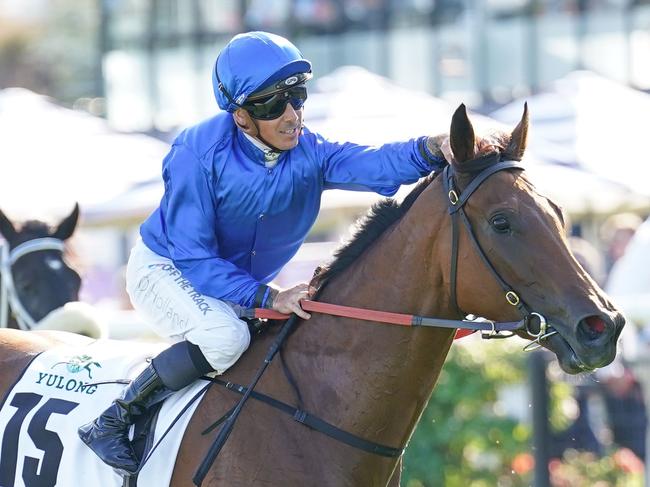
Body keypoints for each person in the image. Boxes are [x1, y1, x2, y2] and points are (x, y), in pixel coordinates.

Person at [78, 31, 449, 476]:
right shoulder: (197, 152)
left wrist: (433, 147)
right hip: (166, 269)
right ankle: (114, 418)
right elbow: (193, 258)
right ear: (240, 116)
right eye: (274, 104)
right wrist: (268, 298)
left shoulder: (310, 152)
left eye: (298, 96)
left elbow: (375, 163)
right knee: (226, 339)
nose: (292, 115)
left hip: (235, 285)